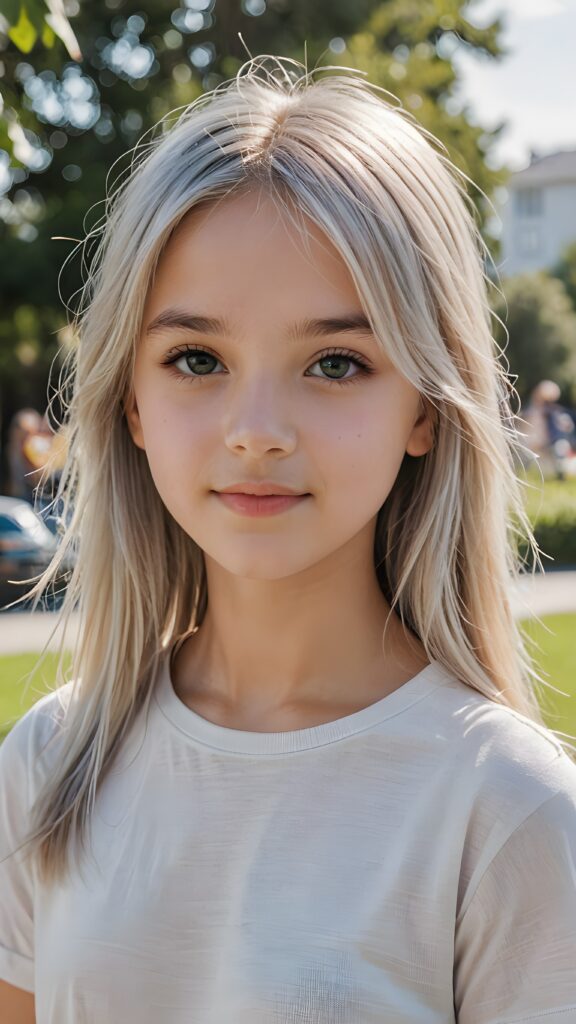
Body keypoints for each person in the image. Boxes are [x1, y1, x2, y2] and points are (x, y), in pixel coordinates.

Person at [1, 56, 575, 1024]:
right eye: (196, 358)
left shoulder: (508, 811)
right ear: (131, 399)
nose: (256, 430)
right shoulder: (48, 769)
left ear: (425, 407)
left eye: (336, 363)